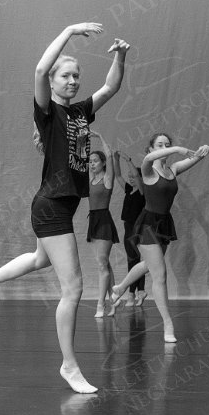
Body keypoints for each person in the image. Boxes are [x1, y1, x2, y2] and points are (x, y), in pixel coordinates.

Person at [0, 23, 129, 394]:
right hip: (51, 206)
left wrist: (121, 57)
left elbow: (110, 88)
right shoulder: (48, 113)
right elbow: (38, 69)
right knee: (74, 288)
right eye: (66, 75)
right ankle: (69, 366)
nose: (73, 81)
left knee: (38, 260)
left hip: (57, 205)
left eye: (77, 76)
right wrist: (69, 30)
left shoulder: (80, 112)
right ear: (52, 81)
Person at [109, 134, 209, 343]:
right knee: (160, 275)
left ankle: (120, 287)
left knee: (149, 265)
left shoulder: (173, 170)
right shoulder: (148, 170)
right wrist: (176, 149)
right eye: (160, 145)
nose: (164, 147)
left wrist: (202, 151)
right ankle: (167, 324)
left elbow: (194, 158)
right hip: (148, 224)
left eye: (167, 144)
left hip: (163, 223)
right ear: (151, 149)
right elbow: (148, 159)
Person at [86, 131, 119, 318]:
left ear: (103, 163)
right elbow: (79, 158)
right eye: (90, 161)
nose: (92, 164)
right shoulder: (91, 179)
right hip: (93, 221)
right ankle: (114, 300)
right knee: (104, 263)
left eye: (95, 161)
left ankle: (100, 305)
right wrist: (81, 142)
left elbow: (109, 154)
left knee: (101, 264)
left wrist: (99, 136)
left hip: (104, 221)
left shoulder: (107, 178)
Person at [113, 150, 148, 307]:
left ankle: (132, 294)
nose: (131, 179)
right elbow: (118, 176)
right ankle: (140, 291)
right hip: (127, 227)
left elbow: (138, 178)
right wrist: (116, 159)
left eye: (134, 177)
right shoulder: (128, 189)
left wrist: (128, 160)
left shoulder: (142, 192)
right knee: (133, 259)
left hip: (137, 228)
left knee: (133, 260)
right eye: (130, 177)